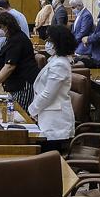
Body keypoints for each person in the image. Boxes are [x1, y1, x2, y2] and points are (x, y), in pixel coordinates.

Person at [28, 24, 77, 152]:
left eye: (50, 40)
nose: (47, 42)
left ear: (58, 43)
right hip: (47, 116)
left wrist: (32, 110)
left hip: (55, 121)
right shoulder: (55, 60)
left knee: (49, 161)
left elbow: (48, 94)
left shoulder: (60, 64)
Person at [0, 11, 39, 109]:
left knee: (20, 114)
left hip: (22, 84)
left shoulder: (17, 40)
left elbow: (10, 66)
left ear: (7, 26)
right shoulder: (11, 38)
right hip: (15, 83)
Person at [0, 0, 30, 64]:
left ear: (1, 8)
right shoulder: (19, 14)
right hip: (24, 46)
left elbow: (2, 37)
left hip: (16, 48)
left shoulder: (8, 16)